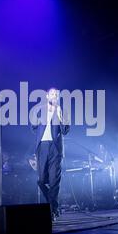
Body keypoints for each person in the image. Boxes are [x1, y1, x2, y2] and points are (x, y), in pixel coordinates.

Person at [31, 88, 70, 221]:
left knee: (54, 181)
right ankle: (53, 205)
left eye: (56, 95)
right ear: (47, 96)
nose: (54, 97)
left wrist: (59, 115)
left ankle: (52, 210)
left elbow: (65, 131)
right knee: (41, 180)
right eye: (52, 94)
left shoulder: (61, 110)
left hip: (55, 148)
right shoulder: (40, 109)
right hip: (42, 146)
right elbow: (33, 126)